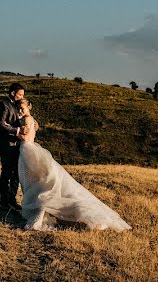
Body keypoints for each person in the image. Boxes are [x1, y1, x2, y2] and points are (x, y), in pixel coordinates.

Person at [15, 97, 131, 232]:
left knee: (37, 182)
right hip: (28, 150)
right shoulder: (32, 119)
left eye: (22, 108)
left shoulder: (27, 119)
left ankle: (41, 209)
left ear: (29, 107)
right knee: (36, 182)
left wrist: (14, 131)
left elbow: (24, 136)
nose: (20, 111)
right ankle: (42, 208)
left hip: (29, 150)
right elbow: (35, 128)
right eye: (18, 108)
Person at [0, 83, 28, 211]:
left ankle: (12, 200)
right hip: (6, 145)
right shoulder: (3, 104)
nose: (22, 97)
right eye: (20, 94)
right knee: (7, 173)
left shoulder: (16, 105)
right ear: (13, 93)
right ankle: (4, 202)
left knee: (16, 174)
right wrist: (17, 130)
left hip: (17, 145)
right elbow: (1, 124)